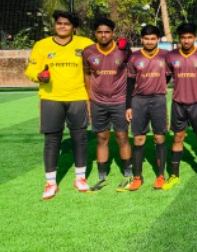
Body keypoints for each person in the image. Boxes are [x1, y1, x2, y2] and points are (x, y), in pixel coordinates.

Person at [25, 11, 93, 199]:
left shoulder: (85, 43)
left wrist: (121, 48)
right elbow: (31, 69)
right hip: (51, 98)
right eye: (59, 23)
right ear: (55, 25)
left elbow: (101, 56)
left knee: (80, 138)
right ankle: (51, 183)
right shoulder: (42, 45)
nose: (62, 26)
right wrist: (38, 76)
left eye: (67, 24)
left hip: (78, 96)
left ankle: (80, 178)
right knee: (52, 139)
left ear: (73, 27)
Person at [83, 18, 132, 192]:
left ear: (113, 33)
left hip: (120, 101)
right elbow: (87, 74)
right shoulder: (88, 51)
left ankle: (128, 173)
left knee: (122, 136)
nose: (103, 35)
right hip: (98, 102)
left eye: (107, 32)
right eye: (100, 32)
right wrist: (89, 97)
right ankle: (102, 175)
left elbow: (133, 71)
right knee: (102, 138)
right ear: (95, 34)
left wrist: (128, 46)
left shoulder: (123, 51)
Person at [163, 23, 197, 191]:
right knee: (178, 138)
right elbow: (165, 78)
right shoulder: (171, 56)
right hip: (178, 102)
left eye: (190, 37)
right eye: (183, 37)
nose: (186, 40)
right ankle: (174, 175)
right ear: (179, 38)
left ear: (195, 38)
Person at [125, 25, 170, 191]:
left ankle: (160, 175)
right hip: (139, 101)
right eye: (146, 38)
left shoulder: (165, 55)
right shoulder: (135, 57)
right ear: (141, 39)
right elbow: (130, 82)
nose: (150, 41)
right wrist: (128, 106)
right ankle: (138, 177)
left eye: (153, 39)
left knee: (159, 137)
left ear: (158, 39)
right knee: (138, 138)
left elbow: (169, 75)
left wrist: (159, 86)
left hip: (158, 99)